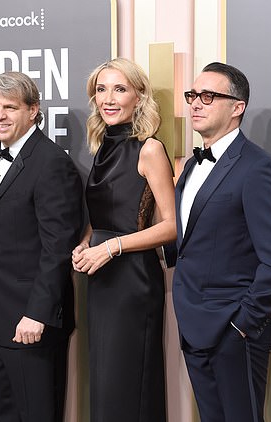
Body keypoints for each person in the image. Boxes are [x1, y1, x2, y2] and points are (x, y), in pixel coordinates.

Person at [172, 62, 271, 422]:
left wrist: (243, 323)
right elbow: (192, 239)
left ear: (237, 106)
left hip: (233, 328)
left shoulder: (257, 168)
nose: (196, 103)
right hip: (192, 322)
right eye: (192, 95)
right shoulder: (192, 166)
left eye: (209, 96)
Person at [71, 57, 176, 422]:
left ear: (139, 96)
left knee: (129, 382)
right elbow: (102, 216)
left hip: (133, 281)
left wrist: (111, 247)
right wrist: (85, 243)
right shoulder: (101, 148)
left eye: (120, 89)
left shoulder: (149, 148)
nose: (109, 98)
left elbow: (171, 226)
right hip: (101, 280)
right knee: (105, 382)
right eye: (101, 90)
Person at [0, 71, 83, 422]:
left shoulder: (52, 163)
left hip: (30, 319)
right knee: (2, 413)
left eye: (10, 107)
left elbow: (57, 248)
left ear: (33, 111)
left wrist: (37, 313)